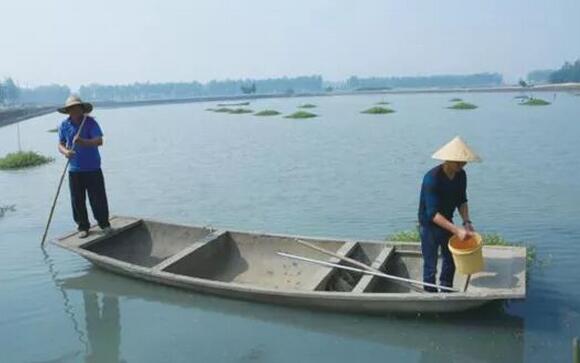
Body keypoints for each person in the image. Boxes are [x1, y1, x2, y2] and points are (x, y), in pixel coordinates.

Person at [417, 136, 481, 292]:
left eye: (463, 161)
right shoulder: (432, 179)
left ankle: (446, 290)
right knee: (430, 263)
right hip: (429, 226)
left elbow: (461, 200)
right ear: (447, 160)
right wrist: (456, 230)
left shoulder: (461, 175)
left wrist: (466, 222)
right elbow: (432, 213)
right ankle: (430, 293)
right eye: (457, 162)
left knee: (450, 259)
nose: (461, 165)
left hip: (447, 222)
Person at [57, 95, 111, 238]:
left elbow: (99, 141)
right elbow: (60, 144)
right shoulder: (64, 125)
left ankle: (104, 224)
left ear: (82, 109)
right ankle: (83, 226)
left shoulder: (90, 123)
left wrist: (83, 142)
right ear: (68, 111)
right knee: (77, 199)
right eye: (71, 109)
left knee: (98, 198)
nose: (75, 111)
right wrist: (66, 152)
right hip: (74, 170)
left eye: (77, 108)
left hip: (92, 168)